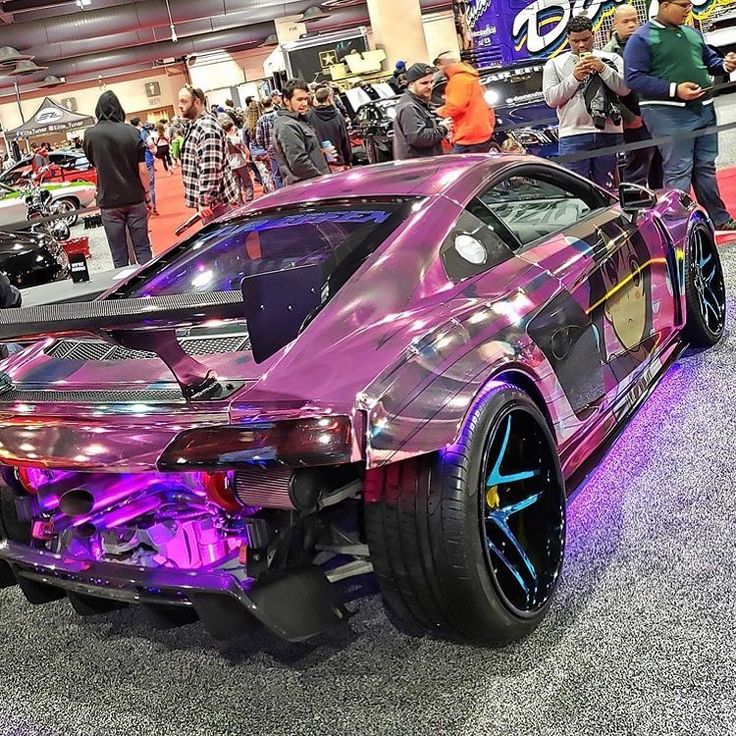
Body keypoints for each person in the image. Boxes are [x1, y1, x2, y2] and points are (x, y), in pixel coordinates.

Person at [625, 0, 736, 230]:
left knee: (705, 166)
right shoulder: (642, 38)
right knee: (678, 170)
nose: (688, 9)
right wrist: (674, 89)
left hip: (704, 108)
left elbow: (708, 62)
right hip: (667, 113)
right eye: (683, 4)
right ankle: (676, 226)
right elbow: (633, 78)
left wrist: (724, 65)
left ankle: (720, 219)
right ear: (665, 5)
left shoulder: (692, 34)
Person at [543, 14, 628, 189]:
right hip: (573, 135)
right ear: (568, 39)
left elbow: (624, 88)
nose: (581, 45)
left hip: (609, 132)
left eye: (585, 39)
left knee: (608, 190)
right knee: (576, 192)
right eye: (575, 41)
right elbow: (551, 99)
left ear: (593, 35)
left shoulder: (612, 59)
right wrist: (574, 78)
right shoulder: (554, 64)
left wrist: (603, 69)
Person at [83, 91, 153, 268]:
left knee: (119, 256)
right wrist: (148, 196)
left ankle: (123, 292)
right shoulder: (132, 132)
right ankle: (152, 290)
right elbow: (143, 170)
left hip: (109, 202)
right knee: (143, 250)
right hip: (135, 198)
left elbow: (94, 163)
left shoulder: (90, 135)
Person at [604, 4, 662, 188]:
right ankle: (632, 209)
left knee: (660, 162)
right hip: (633, 119)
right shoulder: (608, 54)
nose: (631, 24)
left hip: (654, 113)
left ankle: (659, 204)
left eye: (634, 20)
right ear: (615, 24)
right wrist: (630, 118)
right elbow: (607, 94)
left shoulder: (648, 44)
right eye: (625, 21)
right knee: (637, 164)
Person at [177, 84, 240, 224]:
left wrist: (205, 200)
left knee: (223, 243)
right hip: (213, 203)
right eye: (179, 101)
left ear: (197, 102)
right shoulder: (196, 125)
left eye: (184, 101)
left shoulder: (207, 129)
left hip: (216, 204)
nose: (180, 105)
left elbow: (210, 169)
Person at [272, 78, 330, 185]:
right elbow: (299, 163)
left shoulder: (297, 120)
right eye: (299, 99)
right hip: (308, 186)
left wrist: (320, 153)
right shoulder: (287, 126)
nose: (304, 103)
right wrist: (321, 179)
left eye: (306, 99)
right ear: (286, 100)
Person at [393, 62, 452, 161]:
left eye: (431, 82)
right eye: (424, 83)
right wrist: (443, 128)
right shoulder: (409, 107)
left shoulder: (420, 103)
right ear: (411, 84)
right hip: (418, 168)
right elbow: (418, 138)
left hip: (425, 165)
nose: (430, 86)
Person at [438, 59, 496, 153]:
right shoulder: (470, 77)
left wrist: (440, 112)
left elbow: (455, 107)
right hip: (481, 133)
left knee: (456, 166)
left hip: (468, 136)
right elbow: (487, 106)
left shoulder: (458, 80)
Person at [307, 86, 352, 170]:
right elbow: (345, 140)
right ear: (329, 98)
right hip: (338, 162)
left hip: (319, 164)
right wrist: (348, 161)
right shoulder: (338, 117)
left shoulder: (309, 116)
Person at [130, 116, 159, 214]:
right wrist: (154, 152)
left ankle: (143, 208)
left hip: (135, 163)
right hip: (147, 161)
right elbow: (151, 145)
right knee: (150, 185)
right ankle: (153, 206)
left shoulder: (131, 134)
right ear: (139, 123)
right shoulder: (144, 133)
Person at [221, 118, 254, 203]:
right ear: (232, 128)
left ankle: (239, 201)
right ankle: (249, 199)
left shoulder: (223, 141)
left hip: (230, 165)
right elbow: (246, 151)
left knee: (236, 184)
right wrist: (247, 159)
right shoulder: (237, 139)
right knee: (247, 182)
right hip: (240, 163)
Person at [255, 96, 283, 189]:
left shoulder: (260, 120)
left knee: (277, 175)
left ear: (262, 105)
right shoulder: (279, 115)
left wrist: (266, 146)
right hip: (283, 147)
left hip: (271, 150)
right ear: (272, 103)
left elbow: (259, 138)